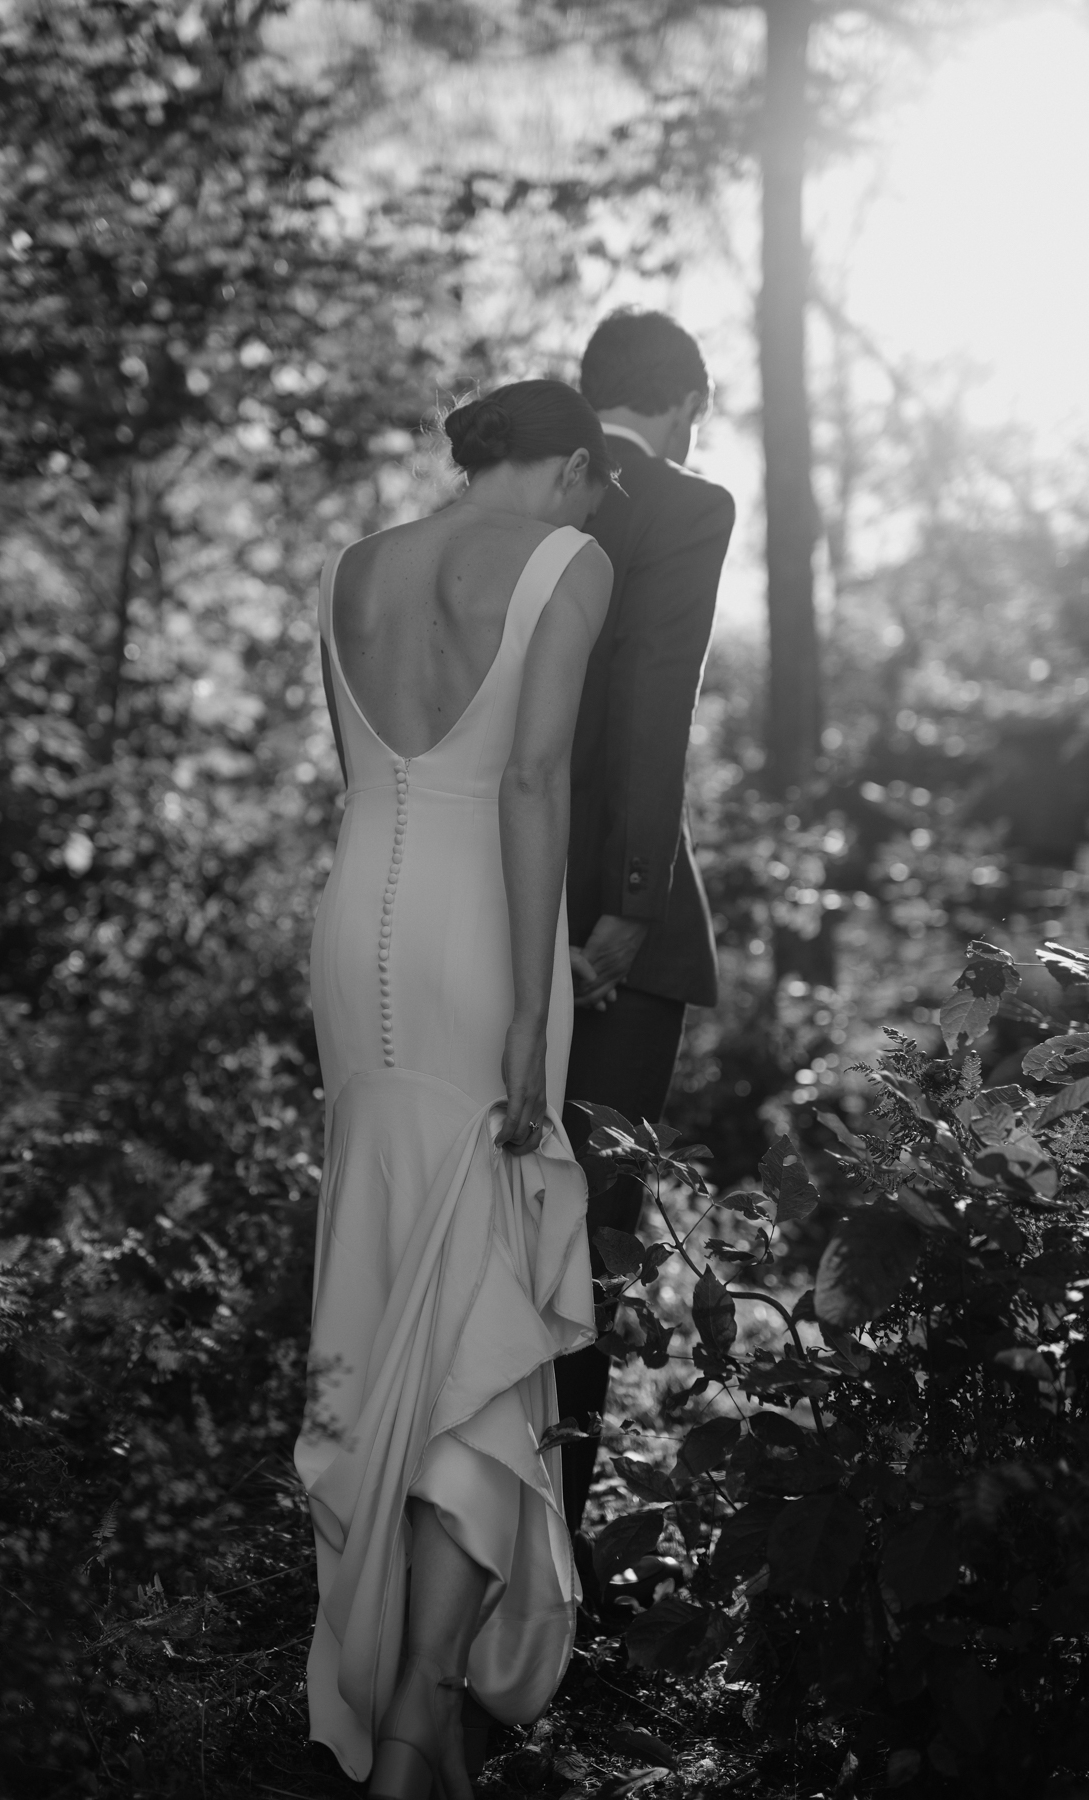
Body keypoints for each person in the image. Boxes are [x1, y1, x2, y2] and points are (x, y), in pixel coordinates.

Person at [294, 379, 614, 1799]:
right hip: (482, 931)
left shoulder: (349, 569)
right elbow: (532, 782)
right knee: (482, 1288)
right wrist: (537, 1000)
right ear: (574, 467)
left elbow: (356, 777)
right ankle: (423, 1705)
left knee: (387, 1281)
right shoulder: (567, 560)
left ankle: (390, 1678)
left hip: (356, 916)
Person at [555, 311, 737, 1534]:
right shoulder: (684, 504)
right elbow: (654, 706)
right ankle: (553, 1553)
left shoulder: (517, 502)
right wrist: (630, 901)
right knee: (592, 1232)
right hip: (615, 926)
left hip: (488, 899)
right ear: (682, 405)